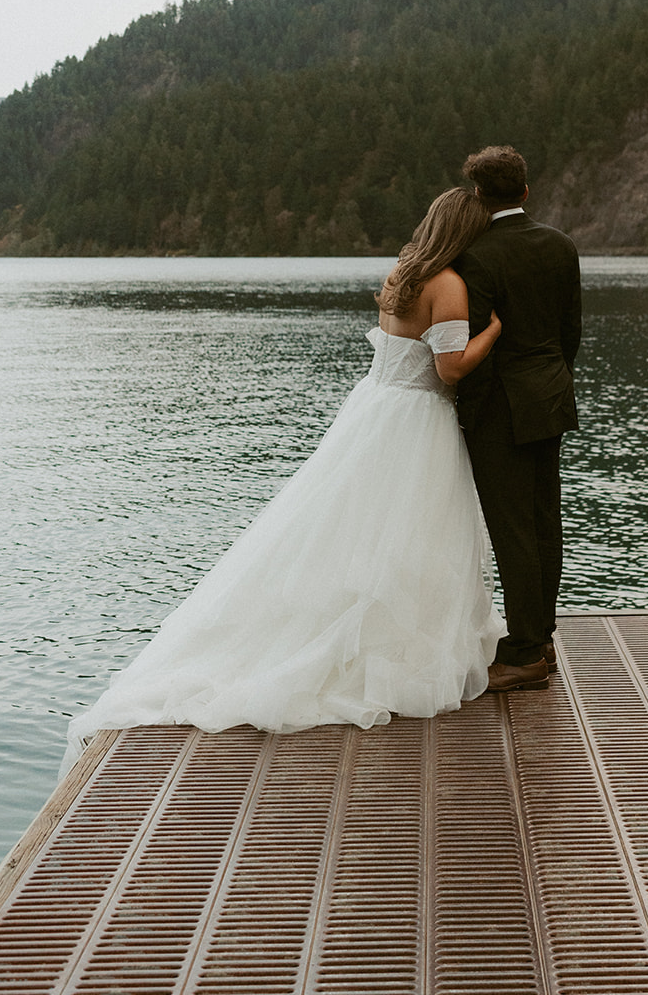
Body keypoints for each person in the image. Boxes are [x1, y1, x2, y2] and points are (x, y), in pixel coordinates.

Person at [61, 188, 505, 776]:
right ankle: (392, 645)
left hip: (376, 409)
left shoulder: (403, 272)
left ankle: (367, 631)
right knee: (412, 533)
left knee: (360, 531)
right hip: (419, 419)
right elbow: (448, 369)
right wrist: (493, 330)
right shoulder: (447, 285)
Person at [454, 145, 582, 693]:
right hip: (550, 398)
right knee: (541, 521)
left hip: (500, 410)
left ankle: (526, 652)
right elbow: (569, 332)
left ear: (479, 195)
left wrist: (466, 417)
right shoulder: (561, 245)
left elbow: (475, 348)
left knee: (512, 532)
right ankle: (539, 635)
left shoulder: (476, 254)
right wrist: (551, 382)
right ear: (525, 191)